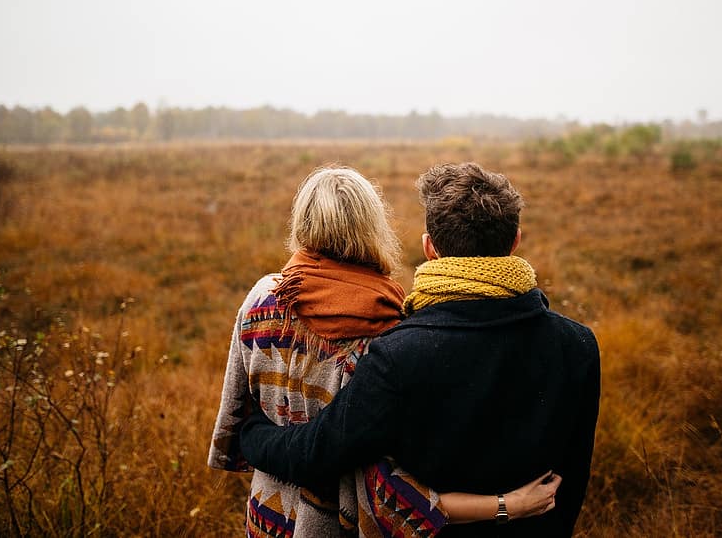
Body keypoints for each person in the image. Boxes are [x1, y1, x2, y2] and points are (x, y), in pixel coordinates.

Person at [238, 162, 601, 537]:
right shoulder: (579, 345)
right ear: (515, 241)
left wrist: (251, 434)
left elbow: (316, 453)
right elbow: (572, 481)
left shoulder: (398, 353)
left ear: (429, 248)